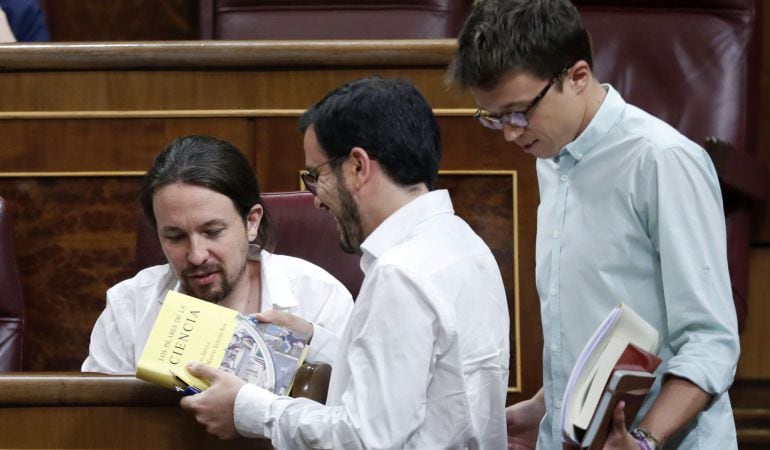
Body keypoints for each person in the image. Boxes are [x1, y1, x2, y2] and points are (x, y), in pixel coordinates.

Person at [446, 1, 740, 449]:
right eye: (494, 118)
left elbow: (711, 341)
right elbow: (595, 322)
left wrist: (643, 439)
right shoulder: (551, 157)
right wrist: (546, 406)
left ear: (578, 77)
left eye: (519, 112)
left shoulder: (661, 161)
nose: (510, 133)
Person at [179, 77, 511, 449]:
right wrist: (315, 341)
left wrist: (249, 408)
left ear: (357, 167)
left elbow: (365, 438)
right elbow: (422, 385)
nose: (317, 201)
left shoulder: (400, 273)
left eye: (316, 176)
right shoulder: (464, 242)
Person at [82, 135, 354, 373]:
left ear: (251, 222)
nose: (197, 256)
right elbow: (105, 421)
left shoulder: (319, 296)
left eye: (212, 232)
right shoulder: (129, 307)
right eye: (175, 237)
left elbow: (351, 412)